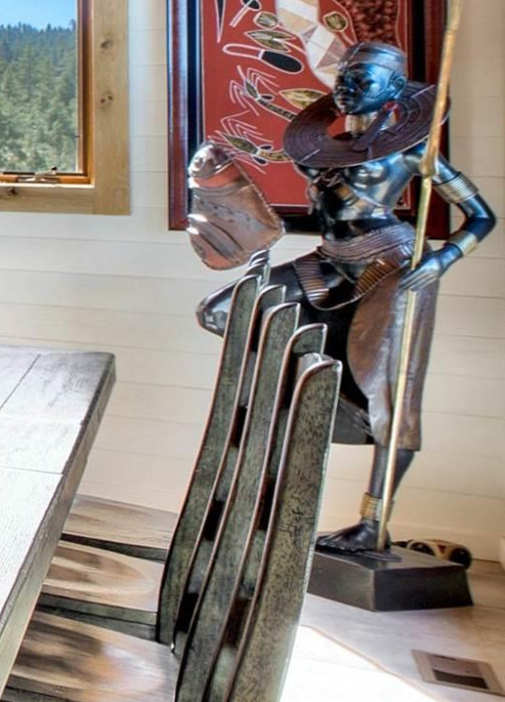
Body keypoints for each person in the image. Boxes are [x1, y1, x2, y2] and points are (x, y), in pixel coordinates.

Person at [194, 42, 492, 556]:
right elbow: (322, 217)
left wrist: (442, 259)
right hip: (329, 261)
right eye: (344, 78)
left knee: (391, 395)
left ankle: (373, 521)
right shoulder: (321, 153)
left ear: (393, 91)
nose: (347, 88)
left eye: (362, 79)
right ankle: (307, 406)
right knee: (220, 311)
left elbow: (482, 216)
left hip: (390, 266)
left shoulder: (413, 151)